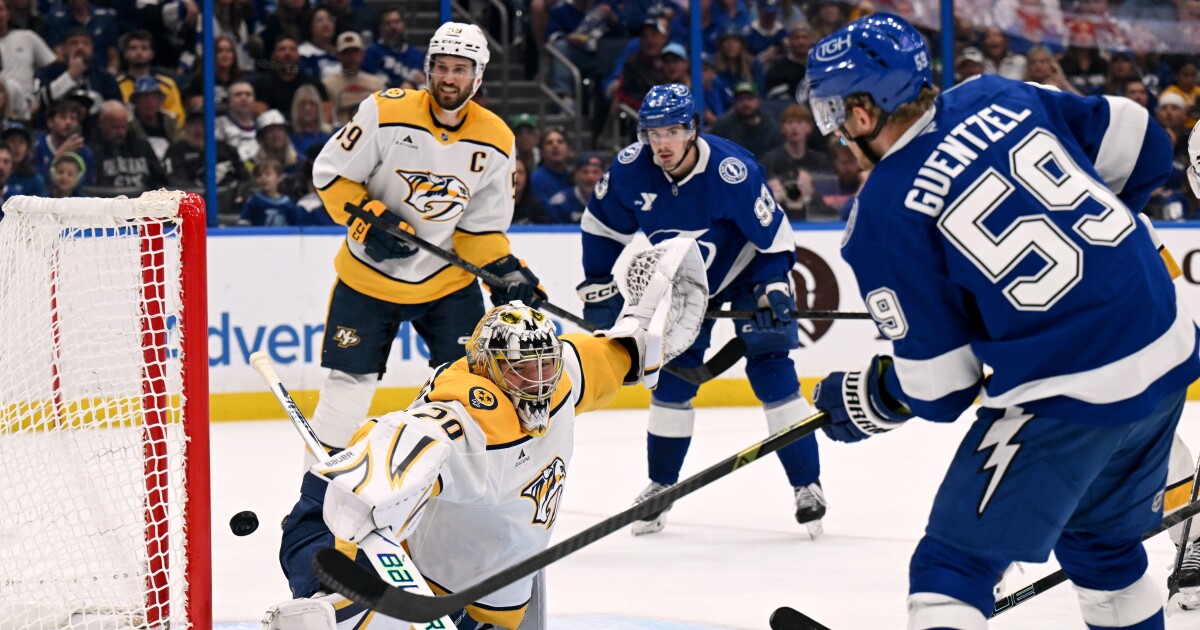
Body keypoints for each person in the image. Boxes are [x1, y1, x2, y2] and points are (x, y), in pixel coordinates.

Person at [802, 13, 1200, 628]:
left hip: (1072, 388)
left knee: (951, 571)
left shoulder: (881, 216)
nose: (833, 130)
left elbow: (942, 389)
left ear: (863, 113)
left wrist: (870, 396)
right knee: (1100, 549)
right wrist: (1101, 248)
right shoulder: (999, 92)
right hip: (1170, 347)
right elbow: (1142, 139)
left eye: (833, 113)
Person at [267, 246, 706, 628]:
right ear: (489, 368)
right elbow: (388, 452)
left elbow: (615, 355)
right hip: (407, 567)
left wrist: (647, 336)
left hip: (497, 592)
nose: (537, 381)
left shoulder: (562, 375)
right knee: (324, 557)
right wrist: (335, 572)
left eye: (543, 365)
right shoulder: (467, 414)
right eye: (520, 368)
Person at [578, 83, 828, 538]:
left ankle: (807, 486)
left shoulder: (732, 171)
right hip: (683, 277)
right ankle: (661, 487)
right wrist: (596, 285)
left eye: (673, 130)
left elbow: (773, 239)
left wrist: (774, 287)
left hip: (749, 270)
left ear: (693, 129)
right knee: (671, 381)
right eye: (653, 132)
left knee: (771, 366)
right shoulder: (632, 169)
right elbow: (600, 226)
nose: (662, 143)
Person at [308, 22, 548, 458]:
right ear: (427, 69)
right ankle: (317, 500)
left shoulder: (496, 138)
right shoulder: (384, 110)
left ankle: (457, 492)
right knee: (349, 385)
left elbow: (481, 229)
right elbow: (332, 175)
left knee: (468, 387)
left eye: (460, 69)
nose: (449, 78)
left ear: (478, 77)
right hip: (368, 278)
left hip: (447, 284)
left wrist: (505, 270)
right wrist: (368, 220)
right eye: (441, 67)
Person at [239, 158, 304, 226]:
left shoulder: (288, 203)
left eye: (268, 174)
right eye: (259, 175)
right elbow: (244, 223)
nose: (263, 178)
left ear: (279, 177)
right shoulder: (254, 201)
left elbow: (297, 226)